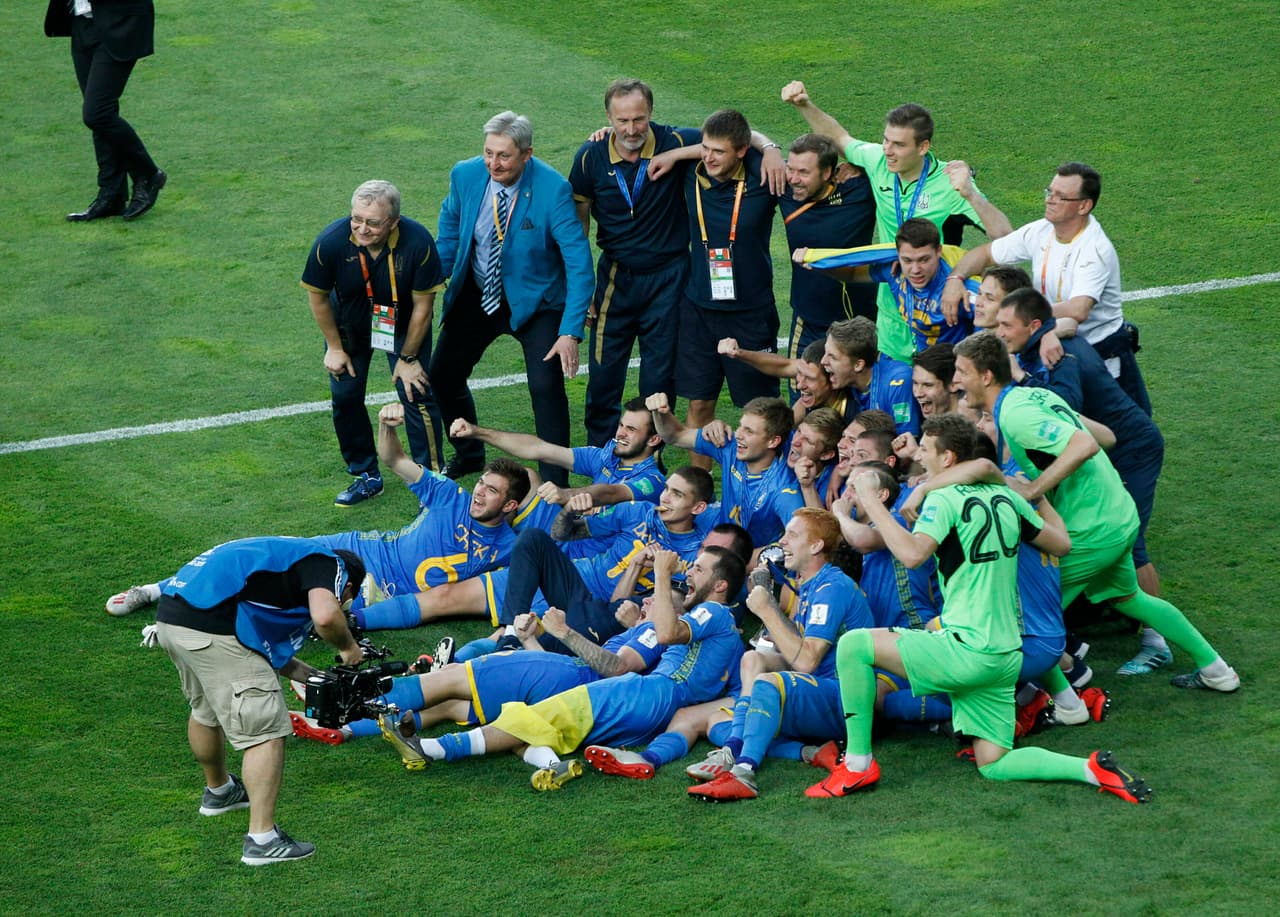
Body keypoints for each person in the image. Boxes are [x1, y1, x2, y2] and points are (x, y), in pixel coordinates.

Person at [810, 414, 1153, 805]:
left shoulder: (944, 499)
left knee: (854, 645)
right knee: (994, 763)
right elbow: (1061, 545)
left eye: (926, 448)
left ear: (948, 457)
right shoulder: (1007, 498)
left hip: (965, 651)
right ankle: (1090, 769)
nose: (918, 452)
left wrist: (871, 500)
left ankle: (855, 765)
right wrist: (1035, 496)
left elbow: (911, 555)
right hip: (1005, 656)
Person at [939, 332, 1239, 692]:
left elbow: (1085, 444)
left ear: (986, 376)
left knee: (1020, 610)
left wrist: (1035, 488)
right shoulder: (1030, 397)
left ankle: (1064, 699)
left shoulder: (1016, 415)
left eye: (961, 371)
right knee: (1129, 598)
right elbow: (1101, 435)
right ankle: (1216, 669)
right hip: (1117, 516)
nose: (955, 381)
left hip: (1093, 529)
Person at [378, 547, 745, 790]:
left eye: (698, 568)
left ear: (721, 584)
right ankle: (547, 763)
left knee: (459, 680)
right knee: (527, 720)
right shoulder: (728, 640)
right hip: (647, 705)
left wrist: (662, 575)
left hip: (629, 688)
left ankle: (406, 733)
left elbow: (651, 641)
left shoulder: (708, 613)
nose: (688, 571)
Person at [151, 536, 366, 864]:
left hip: (172, 618)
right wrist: (349, 648)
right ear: (347, 587)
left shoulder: (282, 573)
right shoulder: (327, 564)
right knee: (266, 730)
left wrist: (316, 678)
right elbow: (326, 618)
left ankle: (220, 792)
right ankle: (262, 840)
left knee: (206, 711)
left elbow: (269, 655)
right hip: (214, 625)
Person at [994, 290, 1172, 673]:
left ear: (1033, 326)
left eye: (1006, 324)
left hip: (1130, 448)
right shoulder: (1044, 339)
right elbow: (1067, 322)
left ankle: (1155, 642)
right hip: (1104, 447)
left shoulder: (1059, 359)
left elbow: (1067, 412)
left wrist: (1021, 379)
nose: (1000, 332)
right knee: (1118, 552)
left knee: (1133, 541)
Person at [781, 81, 1010, 362]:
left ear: (923, 146)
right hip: (892, 313)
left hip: (938, 315)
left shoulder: (949, 184)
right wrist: (804, 104)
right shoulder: (879, 162)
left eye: (899, 145)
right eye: (886, 140)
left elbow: (1006, 240)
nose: (888, 150)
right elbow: (840, 139)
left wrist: (971, 194)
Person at [430, 111, 594, 485]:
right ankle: (469, 454)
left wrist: (569, 332)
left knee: (545, 385)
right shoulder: (465, 174)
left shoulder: (553, 189)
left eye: (503, 156)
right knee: (443, 374)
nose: (493, 163)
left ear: (527, 154)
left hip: (536, 300)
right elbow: (450, 231)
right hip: (477, 291)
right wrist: (430, 279)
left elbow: (579, 264)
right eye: (488, 153)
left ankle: (555, 481)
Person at [676, 509, 874, 801]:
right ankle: (736, 749)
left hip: (847, 700)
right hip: (820, 690)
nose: (782, 542)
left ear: (816, 546)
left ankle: (743, 772)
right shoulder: (809, 585)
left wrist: (767, 609)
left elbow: (807, 662)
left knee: (767, 684)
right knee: (753, 660)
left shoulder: (833, 587)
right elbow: (799, 653)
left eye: (792, 535)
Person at [942, 162, 1150, 414]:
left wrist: (1023, 318)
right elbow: (986, 253)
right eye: (1049, 192)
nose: (1050, 200)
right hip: (1054, 341)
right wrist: (955, 280)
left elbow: (1079, 309)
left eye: (1060, 197)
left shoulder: (1094, 249)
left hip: (1100, 353)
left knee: (1121, 426)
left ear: (1084, 205)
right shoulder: (1041, 231)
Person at [568, 79, 703, 446]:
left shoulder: (675, 141)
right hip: (615, 277)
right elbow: (578, 224)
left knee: (659, 377)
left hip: (670, 277)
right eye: (622, 120)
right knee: (603, 372)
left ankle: (649, 452)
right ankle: (599, 452)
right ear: (608, 117)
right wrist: (582, 291)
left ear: (651, 114)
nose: (631, 130)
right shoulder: (589, 157)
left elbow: (732, 137)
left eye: (639, 120)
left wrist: (769, 148)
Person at [302, 181, 447, 505]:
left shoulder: (418, 242)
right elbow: (319, 297)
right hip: (351, 322)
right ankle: (366, 475)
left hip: (402, 321)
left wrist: (408, 359)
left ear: (394, 221)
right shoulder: (331, 242)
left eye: (373, 222)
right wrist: (335, 348)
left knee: (416, 391)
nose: (362, 229)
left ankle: (432, 481)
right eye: (357, 219)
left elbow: (423, 307)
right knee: (345, 395)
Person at [674, 110, 783, 441]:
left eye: (718, 151)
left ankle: (766, 486)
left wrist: (771, 148)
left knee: (762, 411)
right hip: (698, 311)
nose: (708, 157)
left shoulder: (764, 176)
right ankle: (696, 490)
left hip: (751, 313)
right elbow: (639, 136)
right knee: (698, 406)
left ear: (741, 150)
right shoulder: (691, 171)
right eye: (704, 148)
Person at [448, 396, 665, 550]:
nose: (620, 433)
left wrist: (566, 495)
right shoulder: (607, 456)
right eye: (621, 425)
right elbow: (539, 449)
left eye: (631, 429)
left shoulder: (652, 480)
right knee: (525, 478)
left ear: (654, 439)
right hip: (565, 528)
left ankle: (490, 550)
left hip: (587, 551)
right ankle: (483, 542)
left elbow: (612, 493)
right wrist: (478, 432)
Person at [45, 0, 166, 221]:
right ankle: (111, 194)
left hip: (121, 23)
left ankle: (147, 173)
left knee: (97, 113)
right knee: (101, 113)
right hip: (82, 23)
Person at [647, 392, 803, 552]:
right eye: (741, 425)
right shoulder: (730, 446)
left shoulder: (783, 491)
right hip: (720, 537)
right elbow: (676, 435)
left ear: (773, 441)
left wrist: (751, 561)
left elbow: (801, 540)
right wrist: (660, 413)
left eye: (749, 431)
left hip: (752, 559)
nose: (739, 435)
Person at [795, 217, 978, 352]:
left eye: (924, 260)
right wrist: (817, 264)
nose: (915, 270)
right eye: (907, 260)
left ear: (938, 251)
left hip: (955, 372)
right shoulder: (894, 271)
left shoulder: (958, 291)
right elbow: (851, 274)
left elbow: (993, 315)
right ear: (897, 256)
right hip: (923, 366)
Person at [777, 133, 877, 356]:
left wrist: (861, 164)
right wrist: (769, 149)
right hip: (807, 322)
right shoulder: (784, 186)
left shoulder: (860, 190)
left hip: (857, 323)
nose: (793, 178)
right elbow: (735, 142)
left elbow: (898, 162)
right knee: (803, 388)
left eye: (804, 172)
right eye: (790, 169)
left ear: (827, 172)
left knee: (859, 390)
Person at [822, 316, 921, 436]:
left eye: (832, 357)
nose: (823, 361)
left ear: (858, 365)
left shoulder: (897, 383)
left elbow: (907, 443)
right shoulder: (848, 376)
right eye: (825, 353)